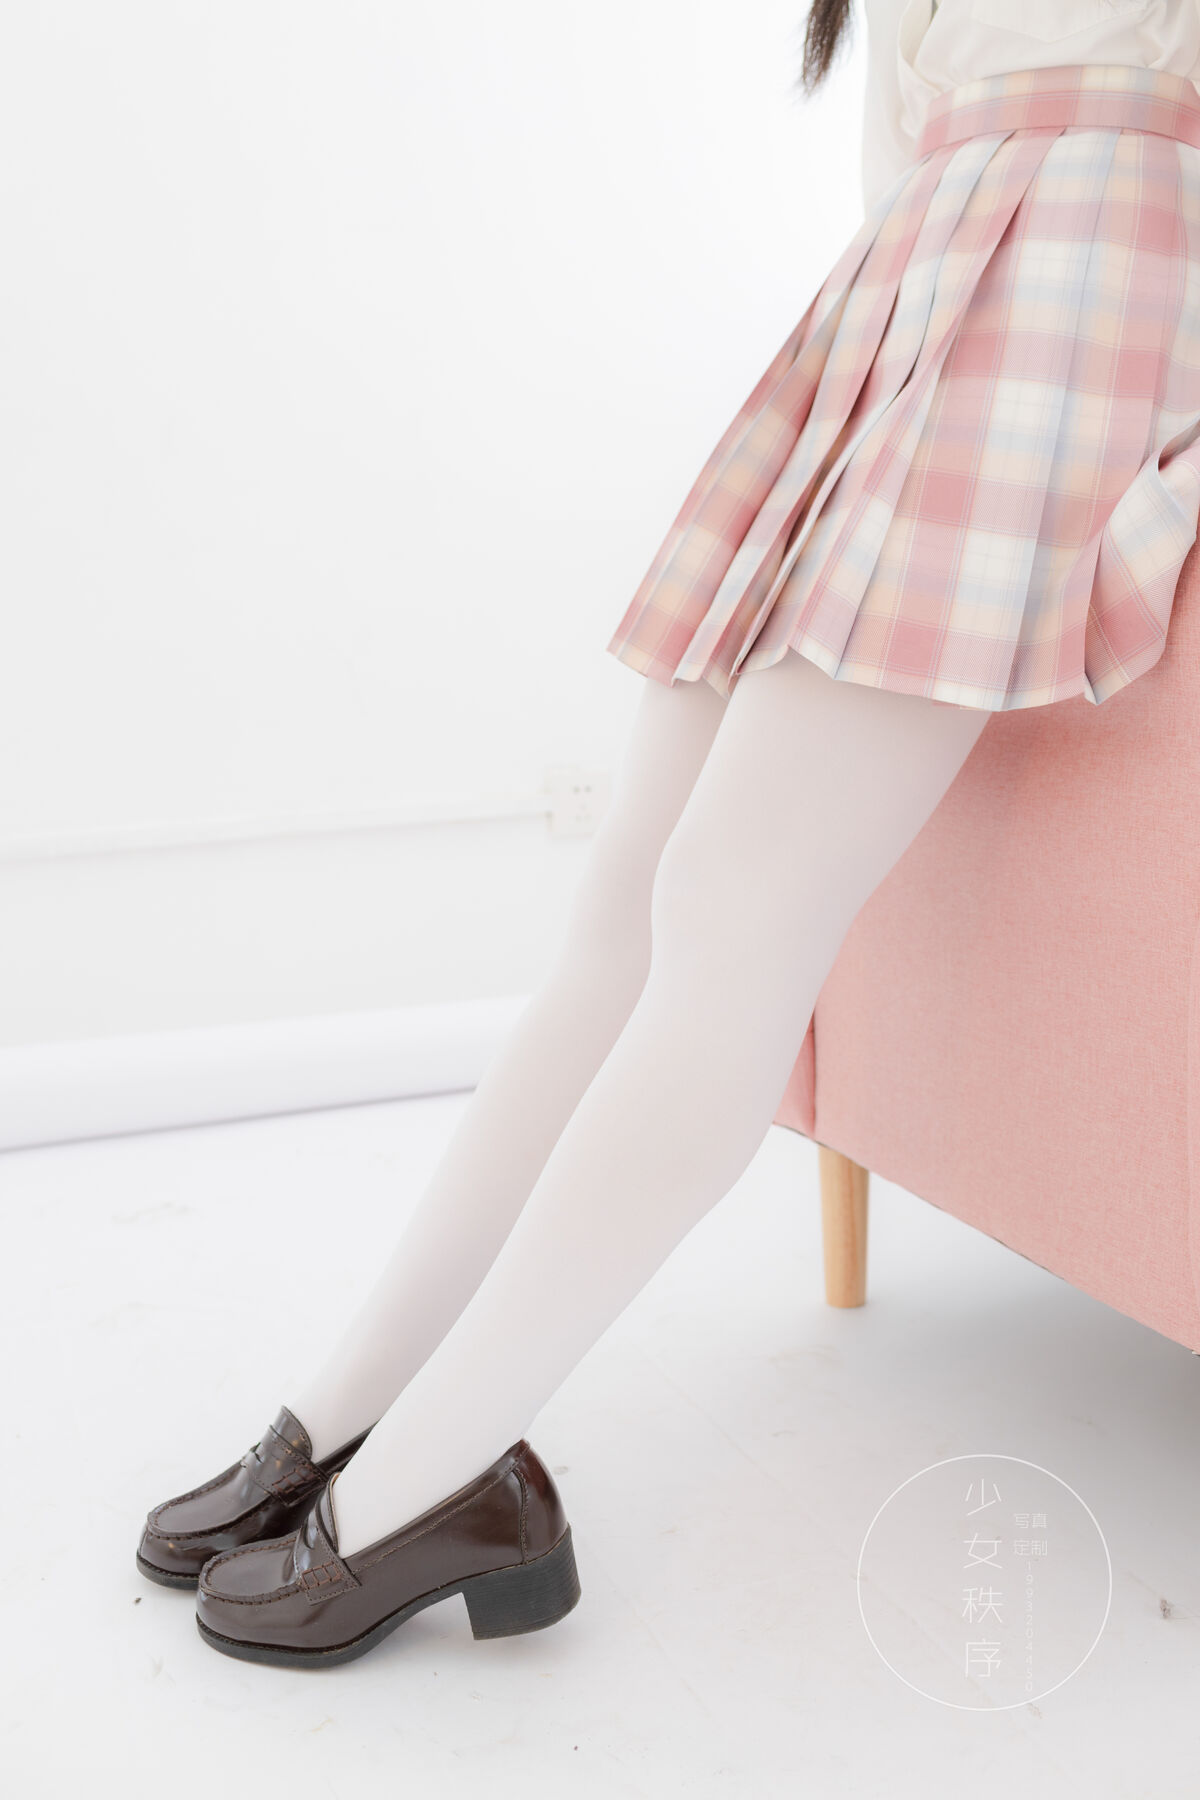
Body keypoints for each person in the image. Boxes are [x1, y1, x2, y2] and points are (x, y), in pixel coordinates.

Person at [138, 0, 1200, 1668]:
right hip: (906, 317)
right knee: (622, 907)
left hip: (1077, 316)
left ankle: (437, 1479)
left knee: (729, 904)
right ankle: (350, 1412)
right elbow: (902, 159)